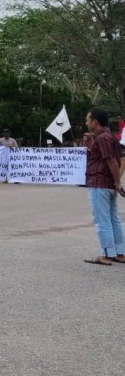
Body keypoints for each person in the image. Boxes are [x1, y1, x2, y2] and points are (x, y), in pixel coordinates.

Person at [82, 108, 124, 266]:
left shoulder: (103, 139)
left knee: (102, 220)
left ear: (95, 122)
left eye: (87, 120)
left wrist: (117, 181)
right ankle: (119, 252)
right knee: (114, 219)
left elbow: (111, 161)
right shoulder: (109, 137)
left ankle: (106, 254)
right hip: (108, 184)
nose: (86, 123)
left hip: (100, 184)